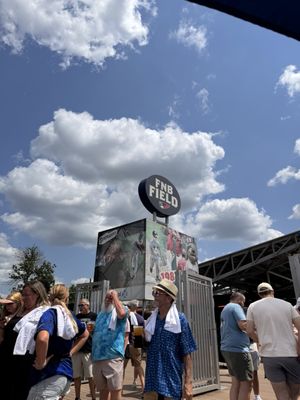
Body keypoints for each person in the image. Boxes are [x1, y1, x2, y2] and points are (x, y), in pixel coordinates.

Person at [27, 284, 89, 400]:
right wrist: (70, 352)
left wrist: (40, 362)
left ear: (50, 297)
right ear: (66, 298)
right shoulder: (69, 316)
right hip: (65, 374)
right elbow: (85, 335)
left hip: (49, 375)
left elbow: (42, 338)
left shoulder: (50, 314)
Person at [144, 279, 197, 400]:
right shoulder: (151, 320)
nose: (154, 296)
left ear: (169, 298)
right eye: (154, 292)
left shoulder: (179, 320)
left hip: (170, 379)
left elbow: (187, 352)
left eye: (158, 293)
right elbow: (148, 346)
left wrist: (188, 383)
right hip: (152, 379)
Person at [247, 282, 300, 400]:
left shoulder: (253, 306)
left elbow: (249, 330)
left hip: (269, 356)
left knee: (281, 395)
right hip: (291, 354)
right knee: (294, 394)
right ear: (273, 291)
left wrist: (260, 341)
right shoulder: (287, 305)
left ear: (259, 294)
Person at [0, 281, 50, 400]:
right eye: (23, 294)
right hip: (6, 360)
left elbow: (47, 339)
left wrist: (43, 359)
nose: (24, 298)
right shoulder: (20, 310)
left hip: (23, 364)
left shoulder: (44, 312)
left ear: (37, 294)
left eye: (27, 295)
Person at [92, 289, 128, 400]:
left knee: (115, 391)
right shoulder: (101, 314)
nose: (108, 300)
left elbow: (122, 314)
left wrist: (115, 295)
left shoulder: (121, 311)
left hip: (113, 358)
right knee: (102, 391)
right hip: (98, 358)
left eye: (110, 298)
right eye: (107, 297)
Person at [220, 292, 253, 400]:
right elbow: (243, 325)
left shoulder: (225, 309)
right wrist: (255, 327)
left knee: (236, 382)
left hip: (227, 348)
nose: (243, 304)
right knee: (246, 383)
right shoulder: (236, 307)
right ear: (239, 299)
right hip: (238, 350)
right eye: (243, 301)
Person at [72, 298, 97, 400]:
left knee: (91, 376)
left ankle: (93, 397)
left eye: (82, 305)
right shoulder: (77, 317)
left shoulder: (94, 316)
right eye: (79, 305)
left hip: (89, 349)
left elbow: (97, 332)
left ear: (88, 305)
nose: (81, 307)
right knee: (76, 375)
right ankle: (77, 397)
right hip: (77, 349)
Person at [123, 300, 145, 392]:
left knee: (122, 367)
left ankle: (120, 389)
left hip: (126, 343)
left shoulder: (125, 316)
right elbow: (140, 334)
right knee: (138, 365)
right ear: (136, 307)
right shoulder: (140, 318)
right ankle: (143, 386)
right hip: (136, 342)